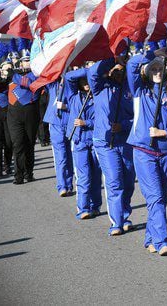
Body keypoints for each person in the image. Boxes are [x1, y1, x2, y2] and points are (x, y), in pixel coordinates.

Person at [127, 50, 167, 256]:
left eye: (160, 68)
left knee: (160, 198)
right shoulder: (139, 91)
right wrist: (153, 53)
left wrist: (165, 132)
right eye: (152, 68)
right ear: (146, 72)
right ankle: (162, 241)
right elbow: (131, 65)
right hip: (144, 151)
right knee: (155, 196)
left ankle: (150, 237)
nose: (157, 72)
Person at [87, 55, 135, 236]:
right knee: (115, 180)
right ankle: (117, 222)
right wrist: (113, 58)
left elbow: (140, 118)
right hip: (105, 142)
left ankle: (124, 214)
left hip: (127, 141)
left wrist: (124, 125)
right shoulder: (100, 87)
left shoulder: (132, 89)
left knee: (128, 182)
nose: (118, 72)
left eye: (122, 70)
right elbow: (92, 72)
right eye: (115, 69)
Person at [65, 67, 102, 219]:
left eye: (89, 80)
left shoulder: (99, 95)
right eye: (84, 80)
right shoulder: (73, 95)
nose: (86, 83)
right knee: (84, 175)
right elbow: (68, 76)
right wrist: (89, 70)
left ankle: (95, 205)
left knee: (96, 175)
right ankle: (83, 207)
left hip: (94, 139)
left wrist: (85, 122)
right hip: (79, 141)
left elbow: (101, 120)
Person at [7, 52, 39, 184]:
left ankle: (29, 173)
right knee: (18, 144)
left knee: (29, 144)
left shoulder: (36, 75)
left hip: (30, 112)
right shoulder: (13, 75)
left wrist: (13, 75)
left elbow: (29, 83)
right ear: (20, 63)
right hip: (13, 114)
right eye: (25, 61)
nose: (27, 63)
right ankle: (18, 175)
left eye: (29, 61)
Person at [44, 77, 74, 197]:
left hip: (70, 122)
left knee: (70, 154)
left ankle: (69, 184)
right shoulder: (52, 84)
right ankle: (62, 186)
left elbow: (78, 103)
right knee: (60, 155)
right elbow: (42, 75)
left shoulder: (72, 82)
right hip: (55, 123)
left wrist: (65, 107)